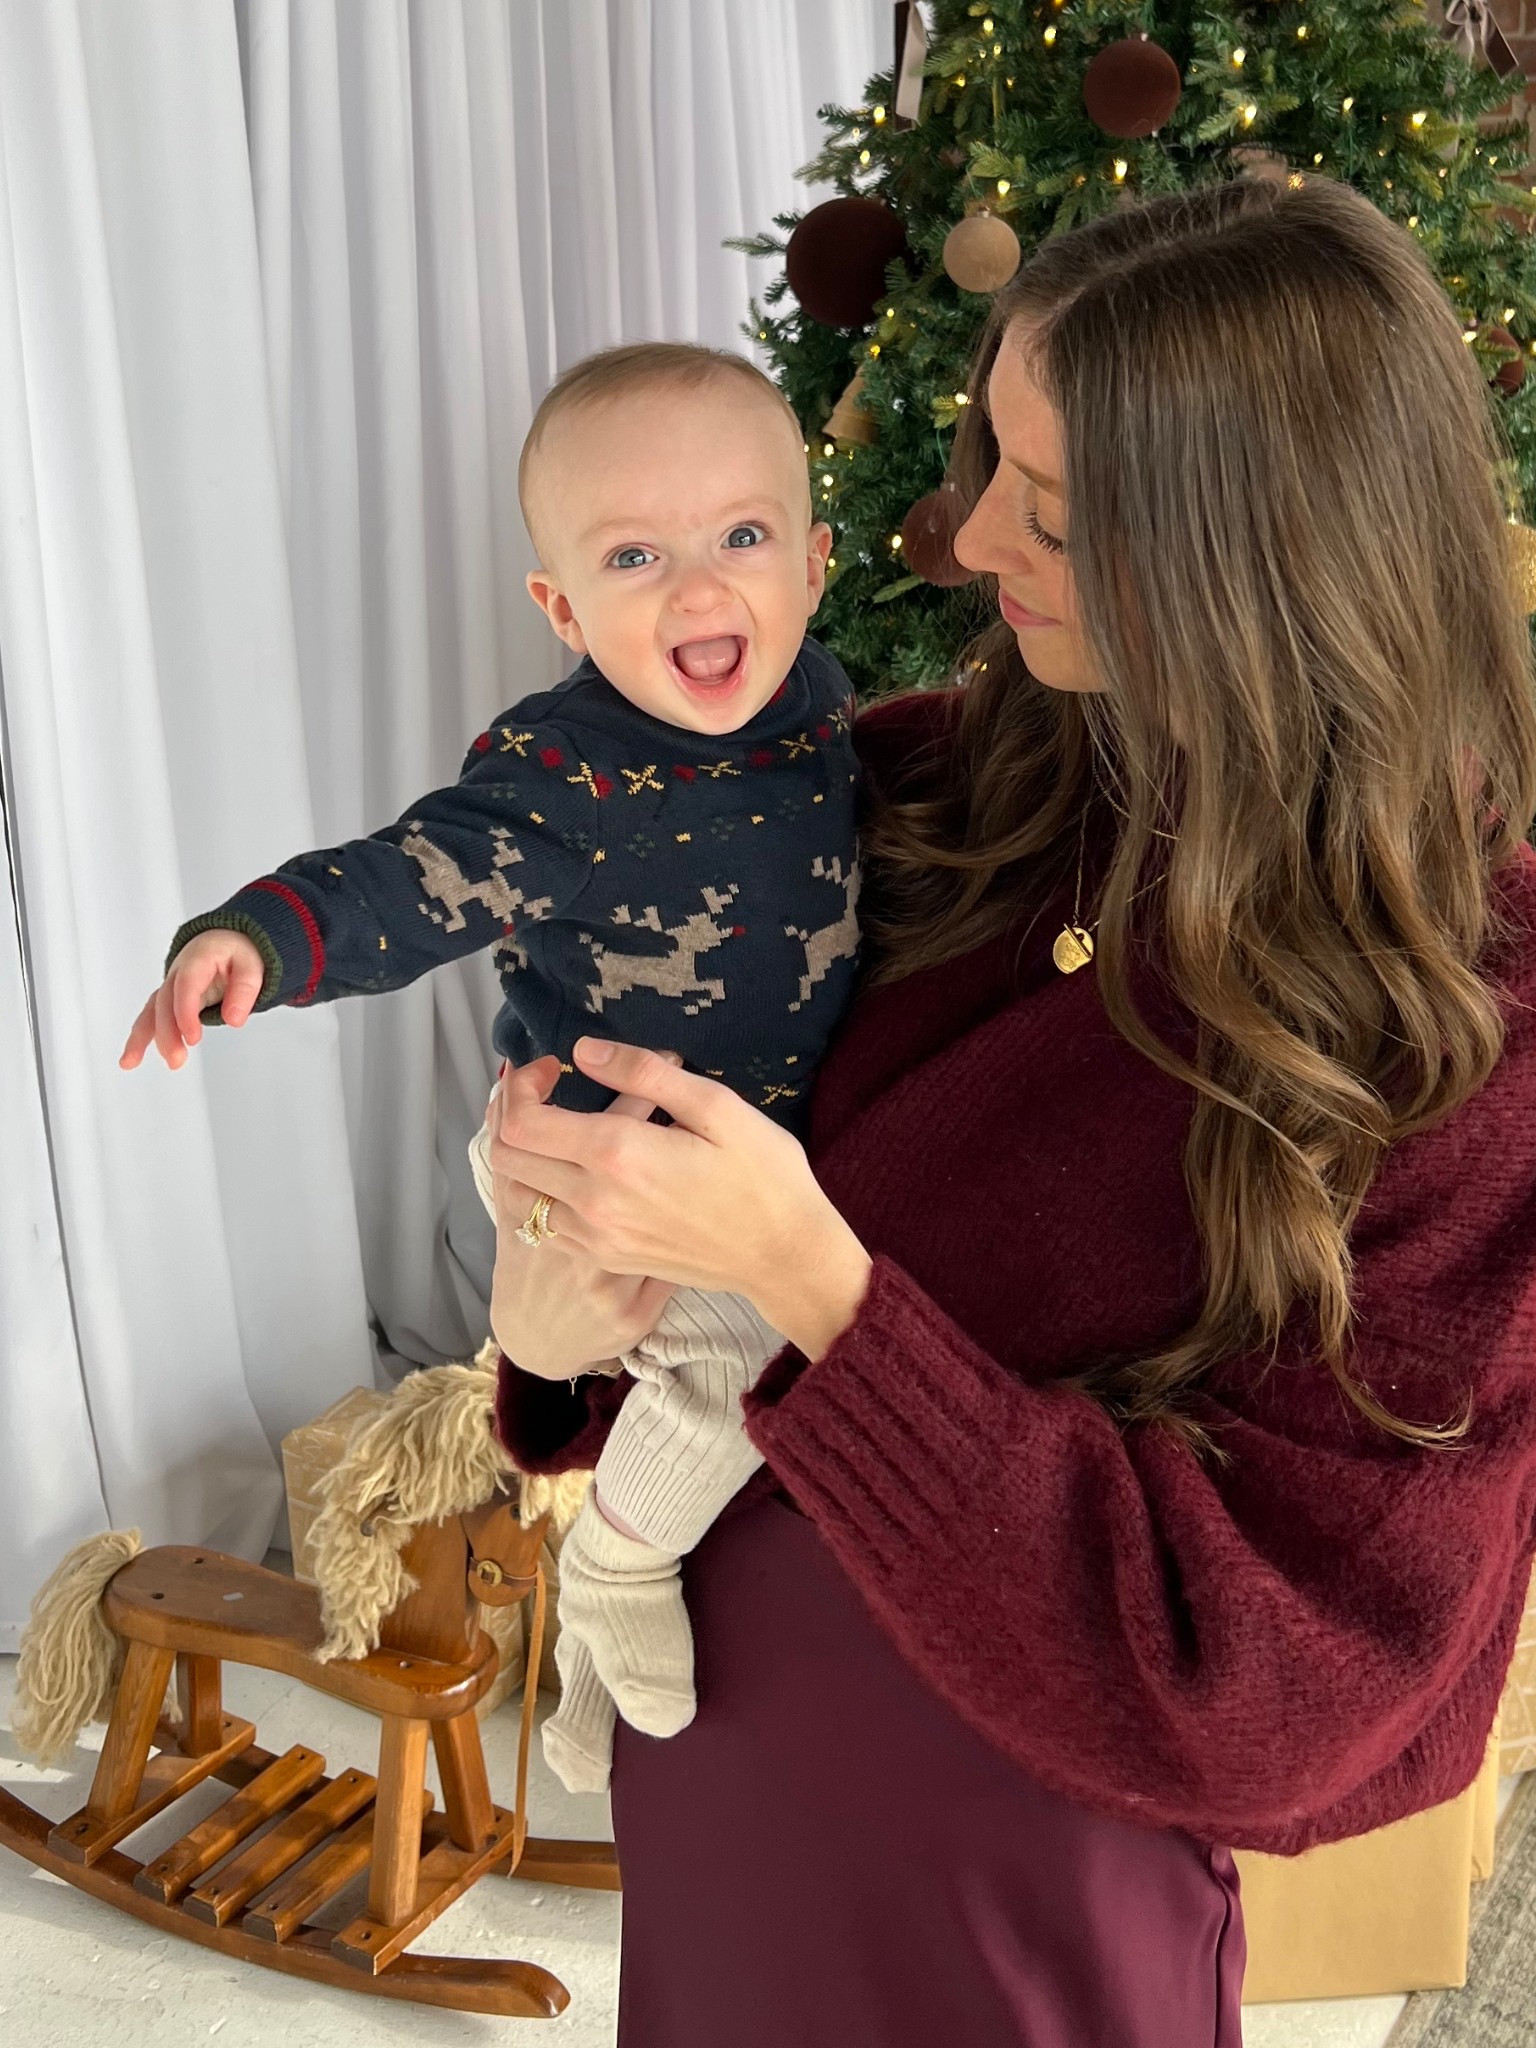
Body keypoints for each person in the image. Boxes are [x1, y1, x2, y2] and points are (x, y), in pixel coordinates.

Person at [482, 175, 1536, 2048]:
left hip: (1015, 1855)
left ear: (1256, 549)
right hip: (717, 1751)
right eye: (989, 460)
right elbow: (621, 1259)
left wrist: (822, 1289)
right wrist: (556, 1299)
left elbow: (1291, 1696)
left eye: (1050, 510)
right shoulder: (903, 791)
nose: (966, 537)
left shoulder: (1466, 1026)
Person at [117, 341, 865, 1790]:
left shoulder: (826, 707)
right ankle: (621, 1570)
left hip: (739, 1151)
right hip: (595, 1149)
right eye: (636, 556)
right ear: (563, 607)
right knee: (747, 1365)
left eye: (745, 537)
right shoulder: (561, 777)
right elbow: (410, 880)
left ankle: (595, 1593)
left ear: (818, 561)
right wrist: (261, 943)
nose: (703, 591)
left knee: (752, 1344)